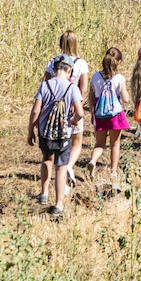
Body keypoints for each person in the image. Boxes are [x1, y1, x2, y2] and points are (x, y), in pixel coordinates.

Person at [28, 53, 83, 218]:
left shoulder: (45, 85)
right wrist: (72, 121)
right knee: (61, 167)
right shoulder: (72, 87)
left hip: (45, 131)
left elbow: (35, 111)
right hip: (63, 132)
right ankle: (58, 203)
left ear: (54, 68)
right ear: (69, 71)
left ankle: (44, 193)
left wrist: (30, 130)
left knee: (46, 159)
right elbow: (80, 112)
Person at [42, 30, 90, 190]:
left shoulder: (54, 62)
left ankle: (57, 171)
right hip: (72, 105)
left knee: (55, 140)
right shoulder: (81, 63)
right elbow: (83, 88)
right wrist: (79, 107)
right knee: (76, 141)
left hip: (54, 107)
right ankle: (68, 166)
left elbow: (45, 82)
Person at [88, 47, 131, 180]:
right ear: (118, 63)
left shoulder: (95, 77)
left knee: (99, 143)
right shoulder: (119, 78)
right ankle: (113, 171)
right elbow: (125, 99)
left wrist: (92, 113)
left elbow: (91, 97)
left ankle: (93, 161)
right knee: (115, 144)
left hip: (100, 114)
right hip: (115, 115)